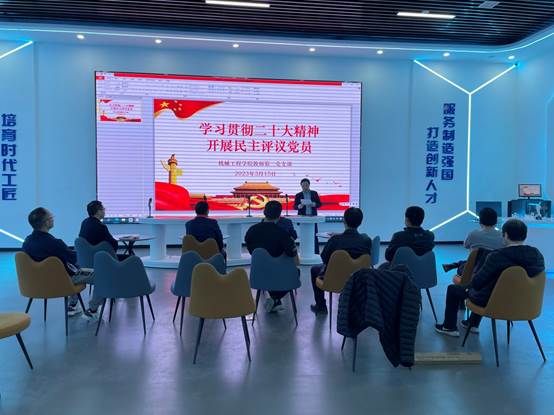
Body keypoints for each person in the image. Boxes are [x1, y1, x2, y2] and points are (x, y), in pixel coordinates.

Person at [435, 219, 544, 337]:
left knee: (454, 289)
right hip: (526, 304)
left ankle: (449, 327)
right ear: (525, 235)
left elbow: (477, 283)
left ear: (505, 235)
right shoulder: (537, 255)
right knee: (488, 288)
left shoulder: (496, 256)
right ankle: (472, 323)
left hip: (494, 302)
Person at [22, 207, 101, 319]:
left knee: (70, 271)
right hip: (61, 283)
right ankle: (93, 310)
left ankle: (73, 305)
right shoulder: (55, 243)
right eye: (51, 217)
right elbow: (75, 259)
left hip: (36, 285)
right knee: (101, 276)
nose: (53, 219)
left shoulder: (26, 242)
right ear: (47, 222)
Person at [310, 207, 372, 314]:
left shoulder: (335, 240)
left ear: (344, 220)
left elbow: (324, 259)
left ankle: (321, 306)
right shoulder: (366, 240)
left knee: (314, 269)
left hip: (334, 279)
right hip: (358, 280)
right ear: (360, 222)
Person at [245, 200, 298, 312]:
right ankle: (275, 298)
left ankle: (274, 300)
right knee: (296, 272)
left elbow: (251, 251)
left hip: (258, 274)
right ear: (279, 215)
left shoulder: (251, 230)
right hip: (279, 274)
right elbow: (291, 253)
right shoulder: (282, 233)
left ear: (264, 212)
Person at [442, 207, 504, 277]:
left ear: (480, 221)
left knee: (467, 264)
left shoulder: (473, 234)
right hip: (494, 271)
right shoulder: (503, 236)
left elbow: (465, 245)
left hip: (474, 270)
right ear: (496, 221)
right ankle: (455, 265)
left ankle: (455, 265)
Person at [293, 178, 322, 253]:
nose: (304, 187)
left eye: (306, 185)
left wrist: (314, 204)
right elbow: (294, 206)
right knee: (304, 235)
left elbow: (319, 204)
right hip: (302, 218)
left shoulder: (314, 193)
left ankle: (316, 252)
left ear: (309, 185)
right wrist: (298, 206)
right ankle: (304, 251)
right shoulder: (298, 195)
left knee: (314, 235)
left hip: (313, 218)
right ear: (301, 186)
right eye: (303, 186)